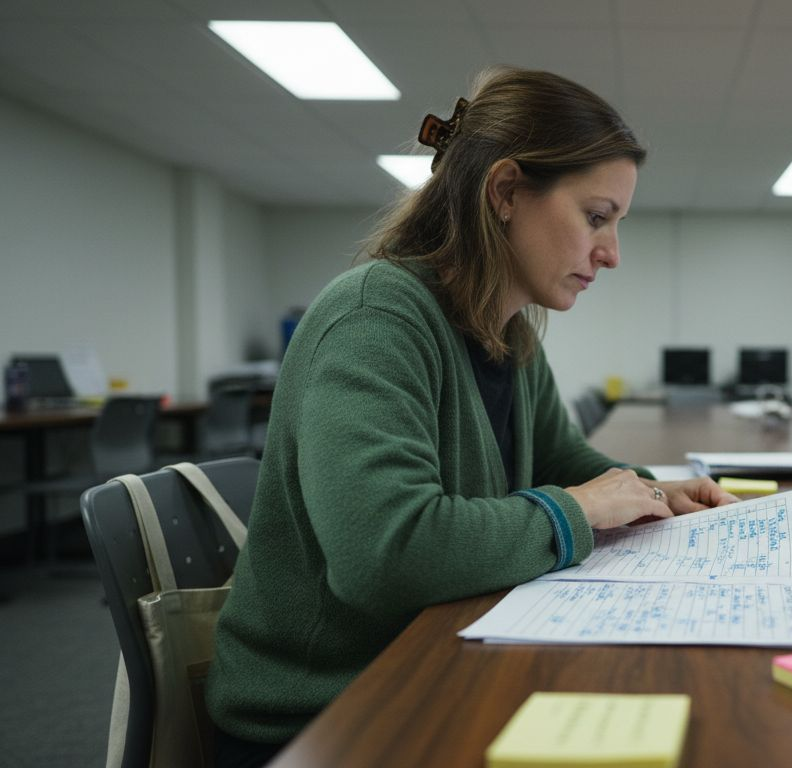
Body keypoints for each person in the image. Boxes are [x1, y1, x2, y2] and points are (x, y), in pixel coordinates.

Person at [206, 67, 738, 767]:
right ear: (507, 192)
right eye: (596, 217)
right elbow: (386, 555)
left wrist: (650, 493)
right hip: (322, 716)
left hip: (429, 667)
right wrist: (580, 509)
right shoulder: (374, 318)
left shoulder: (508, 331)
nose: (611, 254)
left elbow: (562, 461)